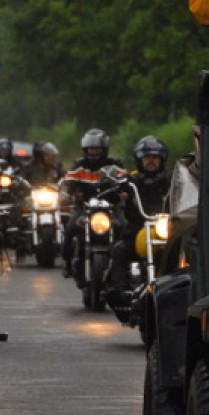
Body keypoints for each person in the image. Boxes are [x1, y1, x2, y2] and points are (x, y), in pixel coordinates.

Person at [106, 136, 172, 321]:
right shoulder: (130, 181)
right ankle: (120, 293)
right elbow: (113, 196)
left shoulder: (171, 180)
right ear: (140, 160)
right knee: (119, 250)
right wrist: (114, 190)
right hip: (137, 230)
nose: (151, 160)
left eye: (155, 157)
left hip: (166, 230)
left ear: (162, 160)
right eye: (147, 157)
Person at [60, 129, 126, 278]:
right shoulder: (79, 164)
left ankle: (125, 269)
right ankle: (68, 263)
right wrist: (64, 194)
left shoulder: (115, 164)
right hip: (85, 209)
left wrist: (124, 194)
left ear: (104, 149)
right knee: (70, 229)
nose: (94, 152)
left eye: (97, 149)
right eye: (91, 149)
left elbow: (126, 182)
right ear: (85, 149)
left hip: (110, 209)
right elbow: (68, 182)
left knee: (125, 231)